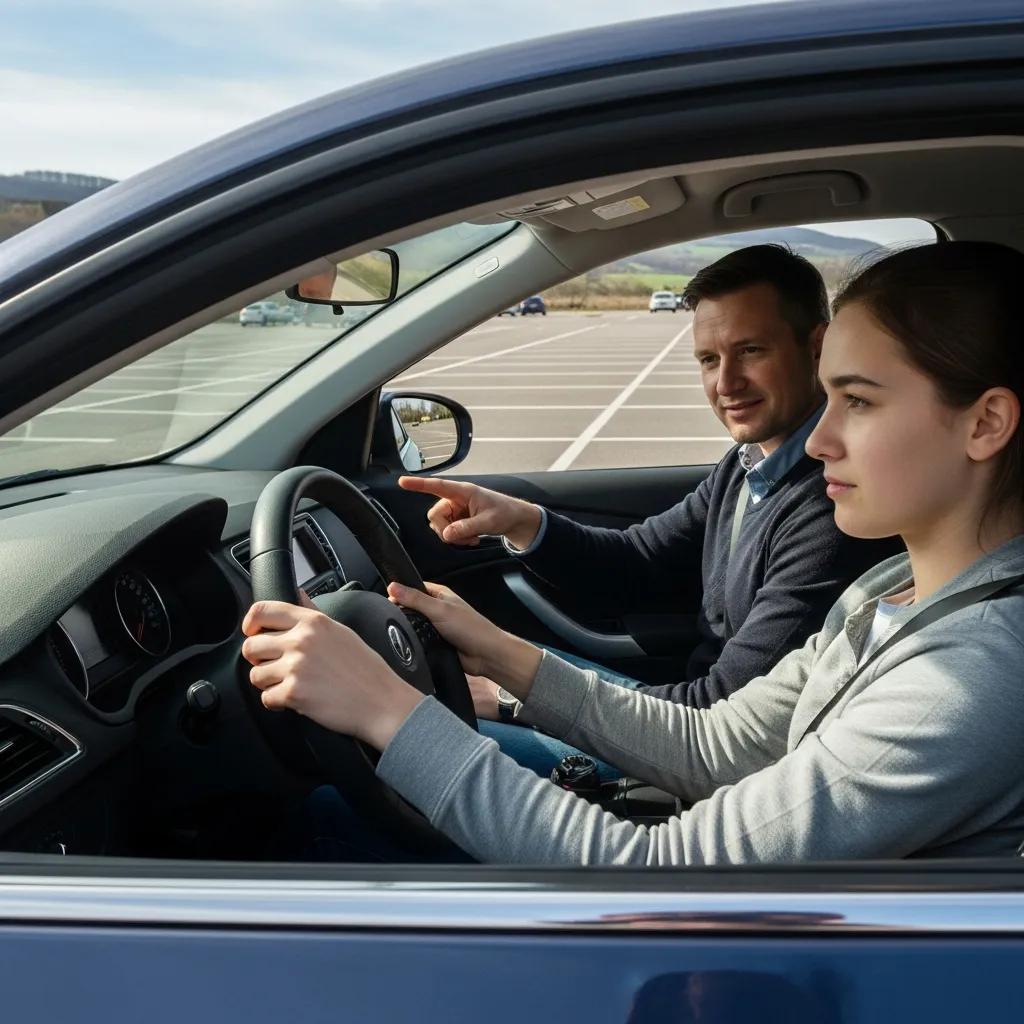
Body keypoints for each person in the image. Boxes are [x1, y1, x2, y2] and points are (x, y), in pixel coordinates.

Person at [243, 240, 1024, 865]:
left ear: (985, 424)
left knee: (322, 824)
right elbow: (718, 742)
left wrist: (390, 711)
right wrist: (501, 653)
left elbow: (663, 871)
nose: (820, 439)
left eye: (857, 401)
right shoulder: (891, 590)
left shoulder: (971, 678)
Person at [399, 244, 898, 779]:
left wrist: (512, 694)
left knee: (405, 750)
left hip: (687, 750)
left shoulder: (835, 509)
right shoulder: (751, 462)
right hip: (676, 717)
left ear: (817, 348)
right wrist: (519, 520)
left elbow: (720, 720)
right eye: (708, 360)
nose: (725, 383)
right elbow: (639, 563)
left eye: (750, 351)